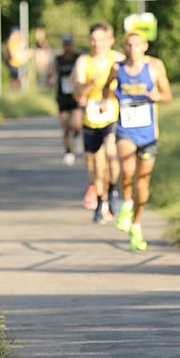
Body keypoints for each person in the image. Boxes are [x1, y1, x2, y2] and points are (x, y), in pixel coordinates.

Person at [101, 30, 173, 251]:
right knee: (127, 170)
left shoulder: (154, 67)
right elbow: (106, 87)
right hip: (126, 129)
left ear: (145, 47)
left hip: (148, 133)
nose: (133, 49)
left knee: (143, 181)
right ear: (125, 48)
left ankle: (137, 223)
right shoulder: (117, 68)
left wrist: (157, 97)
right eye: (129, 45)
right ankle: (126, 204)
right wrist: (106, 101)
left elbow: (168, 94)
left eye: (137, 45)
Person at [73, 22, 123, 224]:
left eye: (101, 40)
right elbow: (77, 92)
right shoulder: (83, 62)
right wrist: (89, 83)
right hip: (91, 118)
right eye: (93, 40)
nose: (97, 44)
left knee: (111, 153)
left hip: (113, 115)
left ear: (109, 40)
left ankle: (112, 191)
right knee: (94, 164)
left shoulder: (118, 59)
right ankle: (101, 198)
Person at [47, 34, 82, 166]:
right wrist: (50, 80)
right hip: (62, 96)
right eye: (65, 44)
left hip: (76, 96)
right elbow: (50, 73)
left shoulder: (78, 58)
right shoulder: (58, 59)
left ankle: (78, 134)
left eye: (69, 44)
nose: (67, 47)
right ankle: (68, 151)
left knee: (76, 123)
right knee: (66, 126)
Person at [5, 27, 29, 91]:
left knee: (19, 78)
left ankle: (17, 91)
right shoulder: (12, 42)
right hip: (14, 63)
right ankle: (14, 91)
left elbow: (24, 42)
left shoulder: (17, 42)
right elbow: (13, 53)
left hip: (19, 63)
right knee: (14, 79)